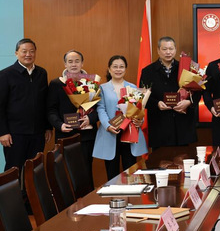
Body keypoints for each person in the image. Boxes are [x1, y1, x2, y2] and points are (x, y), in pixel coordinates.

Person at [47, 50, 99, 184]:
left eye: (77, 61)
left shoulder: (91, 82)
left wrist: (90, 118)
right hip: (65, 135)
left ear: (82, 63)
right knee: (65, 174)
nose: (74, 64)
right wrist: (59, 125)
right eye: (70, 62)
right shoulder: (56, 83)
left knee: (86, 171)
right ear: (65, 64)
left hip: (86, 136)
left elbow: (98, 109)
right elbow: (51, 110)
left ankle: (88, 197)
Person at [0, 38, 52, 172]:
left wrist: (48, 127)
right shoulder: (5, 74)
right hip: (14, 134)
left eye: (32, 51)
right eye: (24, 51)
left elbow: (45, 102)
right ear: (16, 53)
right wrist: (3, 132)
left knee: (35, 171)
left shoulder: (41, 73)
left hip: (38, 133)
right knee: (13, 171)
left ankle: (29, 190)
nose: (28, 54)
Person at [93, 55, 148, 180]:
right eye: (115, 67)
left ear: (125, 69)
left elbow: (139, 108)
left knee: (131, 172)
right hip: (110, 132)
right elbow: (100, 109)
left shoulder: (132, 87)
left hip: (129, 133)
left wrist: (140, 121)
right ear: (109, 69)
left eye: (121, 67)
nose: (118, 69)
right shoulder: (102, 88)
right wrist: (108, 126)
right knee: (112, 173)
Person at [139, 36, 200, 148]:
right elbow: (142, 97)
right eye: (164, 49)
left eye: (171, 49)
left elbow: (197, 92)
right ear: (158, 50)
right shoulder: (148, 71)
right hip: (160, 126)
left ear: (175, 50)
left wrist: (189, 102)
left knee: (183, 157)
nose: (168, 52)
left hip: (182, 126)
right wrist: (157, 103)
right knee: (161, 158)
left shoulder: (186, 68)